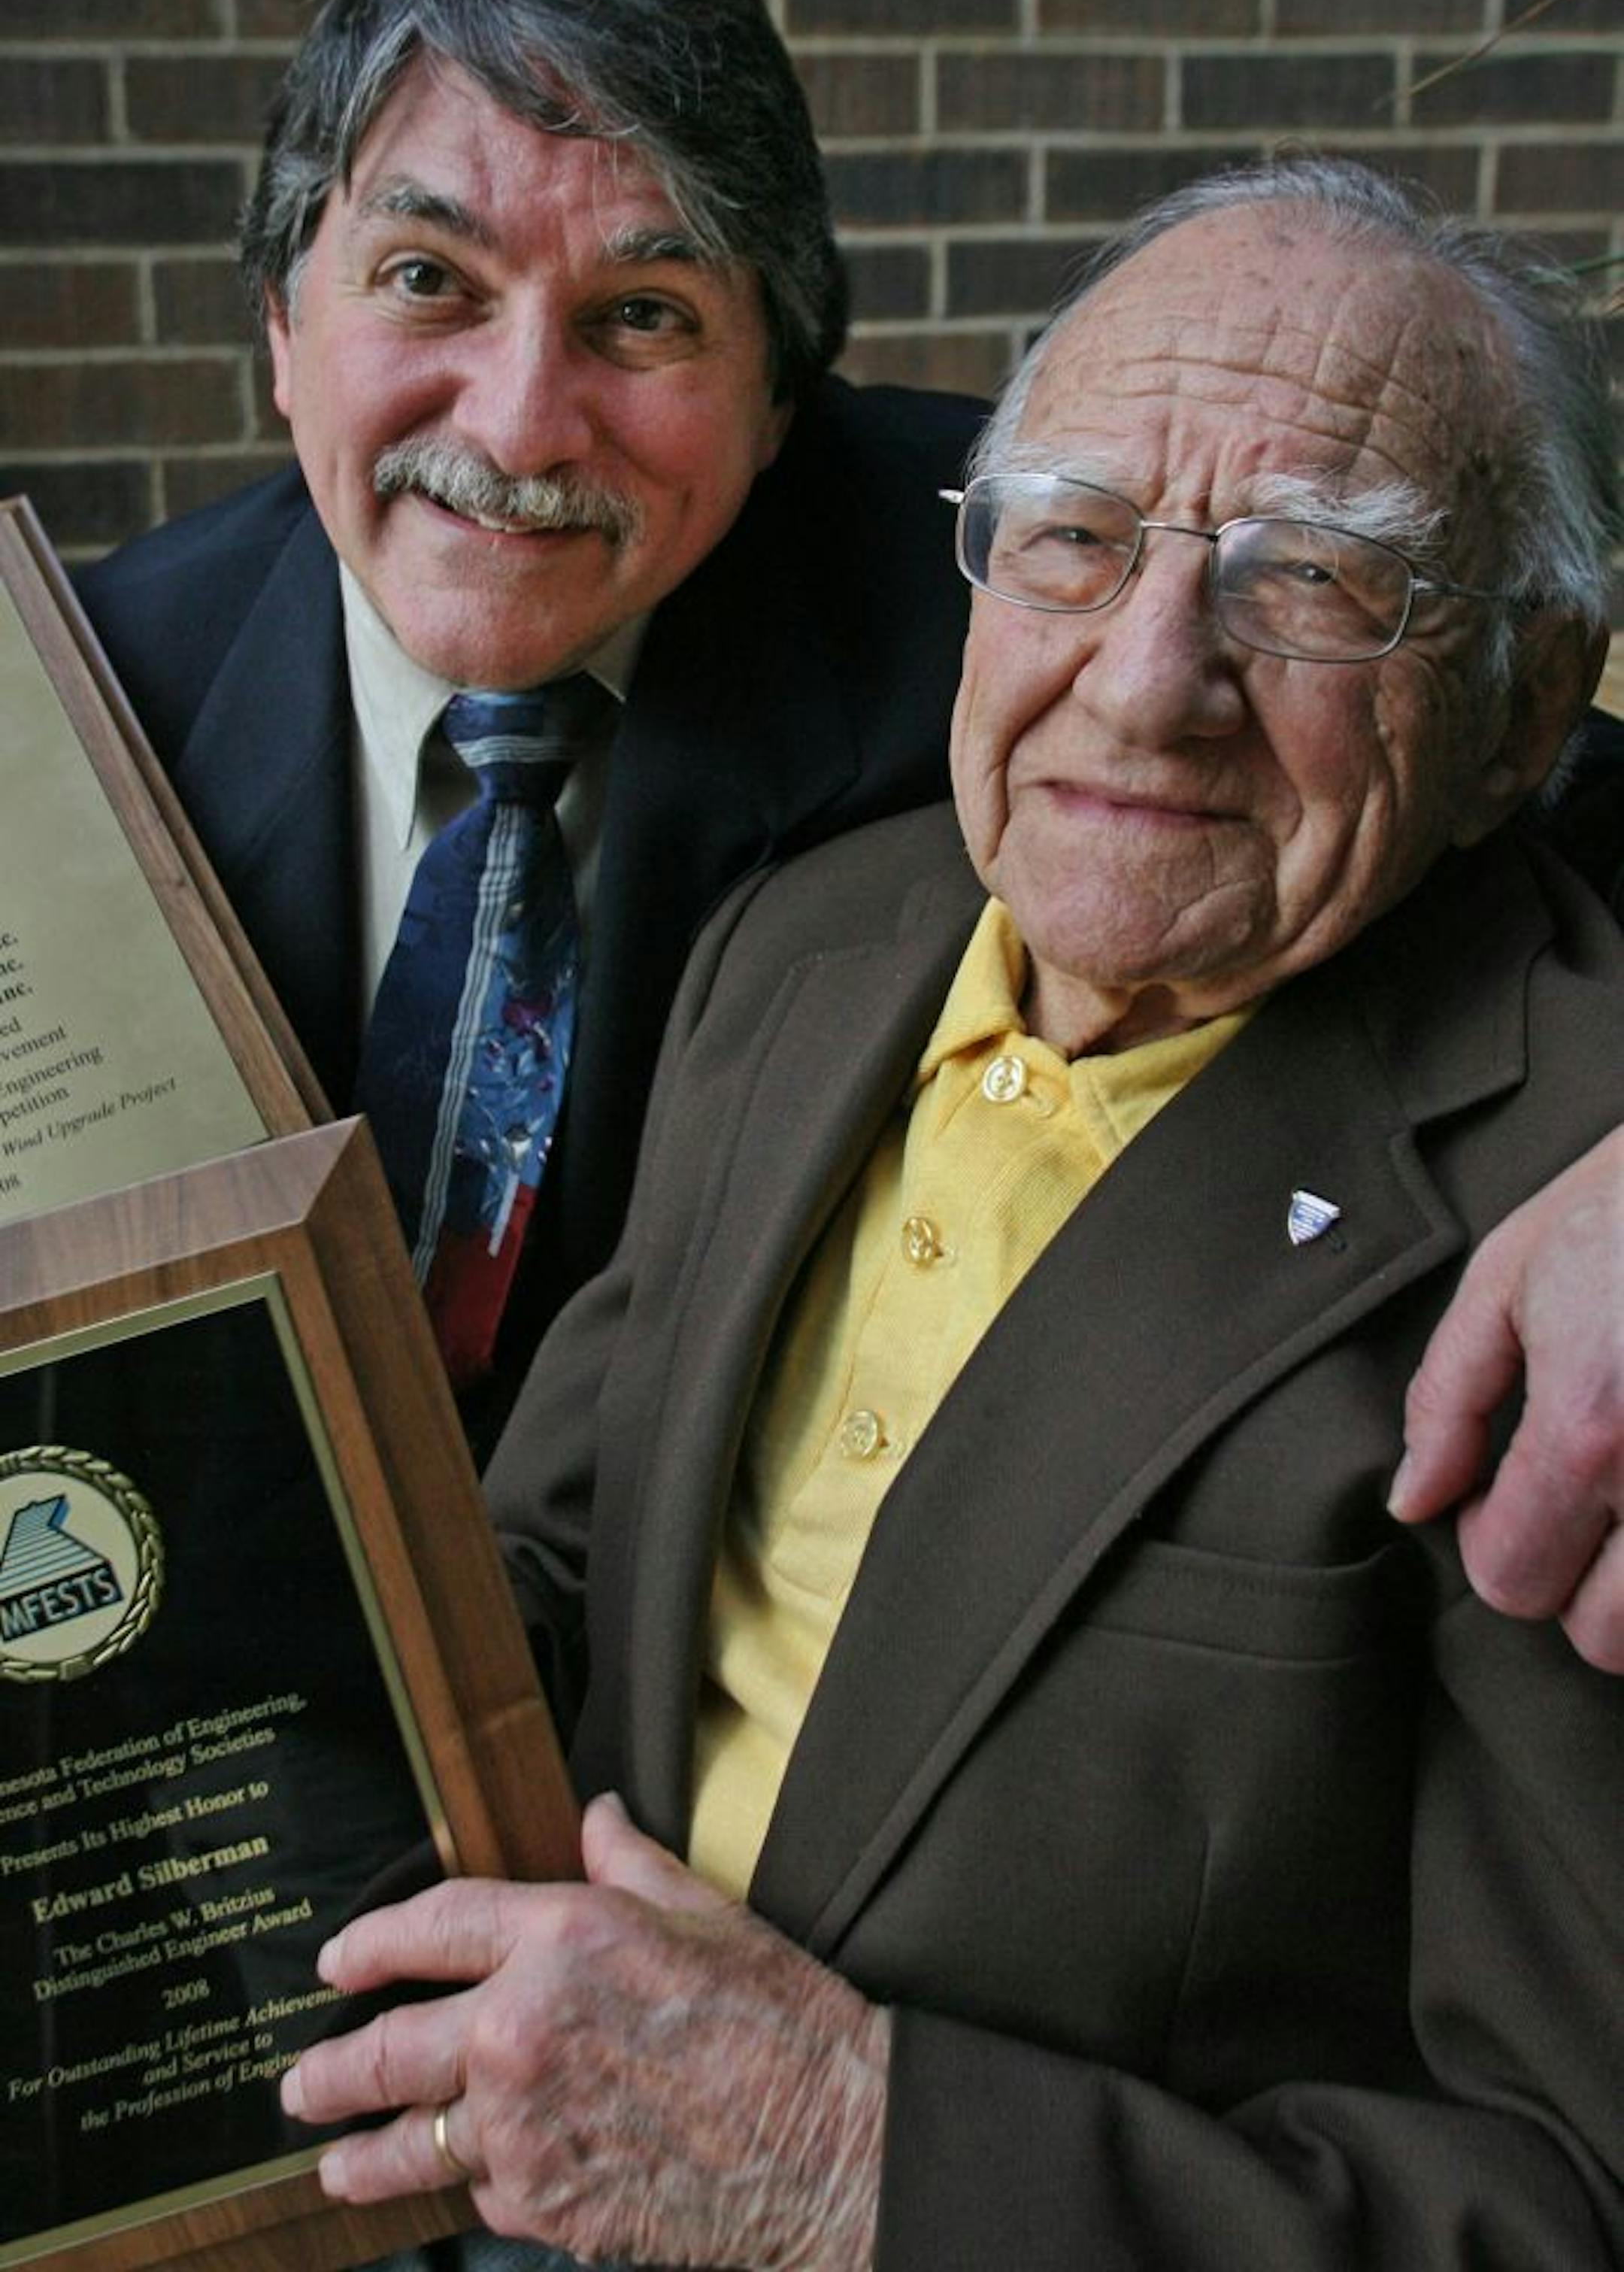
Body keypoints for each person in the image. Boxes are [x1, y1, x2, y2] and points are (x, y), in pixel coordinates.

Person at [280, 159, 1622, 2270]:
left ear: (1532, 703)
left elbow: (1569, 2201)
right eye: (1074, 542)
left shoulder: (1576, 1238)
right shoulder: (807, 945)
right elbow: (552, 1577)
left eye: (1308, 585)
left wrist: (844, 2161)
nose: (1146, 677)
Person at [71, 0, 1622, 1622]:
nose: (517, 422)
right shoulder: (84, 708)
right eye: (427, 280)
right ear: (284, 324)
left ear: (782, 388)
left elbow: (1527, 756)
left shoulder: (1042, 586)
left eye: (644, 314)